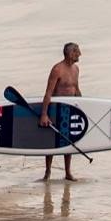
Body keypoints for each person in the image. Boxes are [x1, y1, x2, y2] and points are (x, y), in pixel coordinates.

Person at [37, 42, 84, 182]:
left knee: (69, 140)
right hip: (56, 108)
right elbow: (48, 93)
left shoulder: (76, 69)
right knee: (51, 141)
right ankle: (47, 172)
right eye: (77, 52)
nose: (80, 54)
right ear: (70, 53)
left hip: (70, 108)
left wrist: (83, 106)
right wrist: (44, 114)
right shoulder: (57, 69)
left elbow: (76, 89)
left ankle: (68, 172)